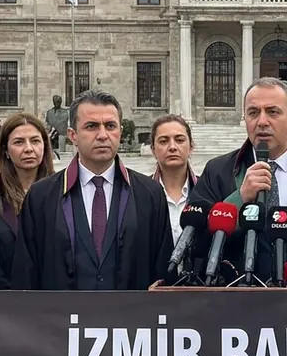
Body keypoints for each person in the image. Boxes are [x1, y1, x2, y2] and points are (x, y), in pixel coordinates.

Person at [12, 90, 173, 290]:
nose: (103, 135)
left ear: (120, 131)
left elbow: (163, 273)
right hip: (61, 309)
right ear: (73, 135)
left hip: (131, 309)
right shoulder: (41, 197)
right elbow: (26, 273)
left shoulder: (149, 194)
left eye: (110, 126)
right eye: (91, 126)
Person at [190, 77, 287, 282]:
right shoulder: (217, 171)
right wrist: (240, 198)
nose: (262, 122)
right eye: (253, 113)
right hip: (238, 293)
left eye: (272, 112)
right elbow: (196, 243)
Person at [0, 113, 54, 289]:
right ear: (5, 150)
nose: (29, 149)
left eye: (35, 141)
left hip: (53, 297)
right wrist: (9, 290)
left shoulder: (62, 193)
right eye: (19, 142)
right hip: (2, 297)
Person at [149, 115, 198, 240]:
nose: (172, 147)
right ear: (153, 149)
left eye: (180, 140)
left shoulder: (206, 191)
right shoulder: (140, 192)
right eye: (163, 141)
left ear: (191, 147)